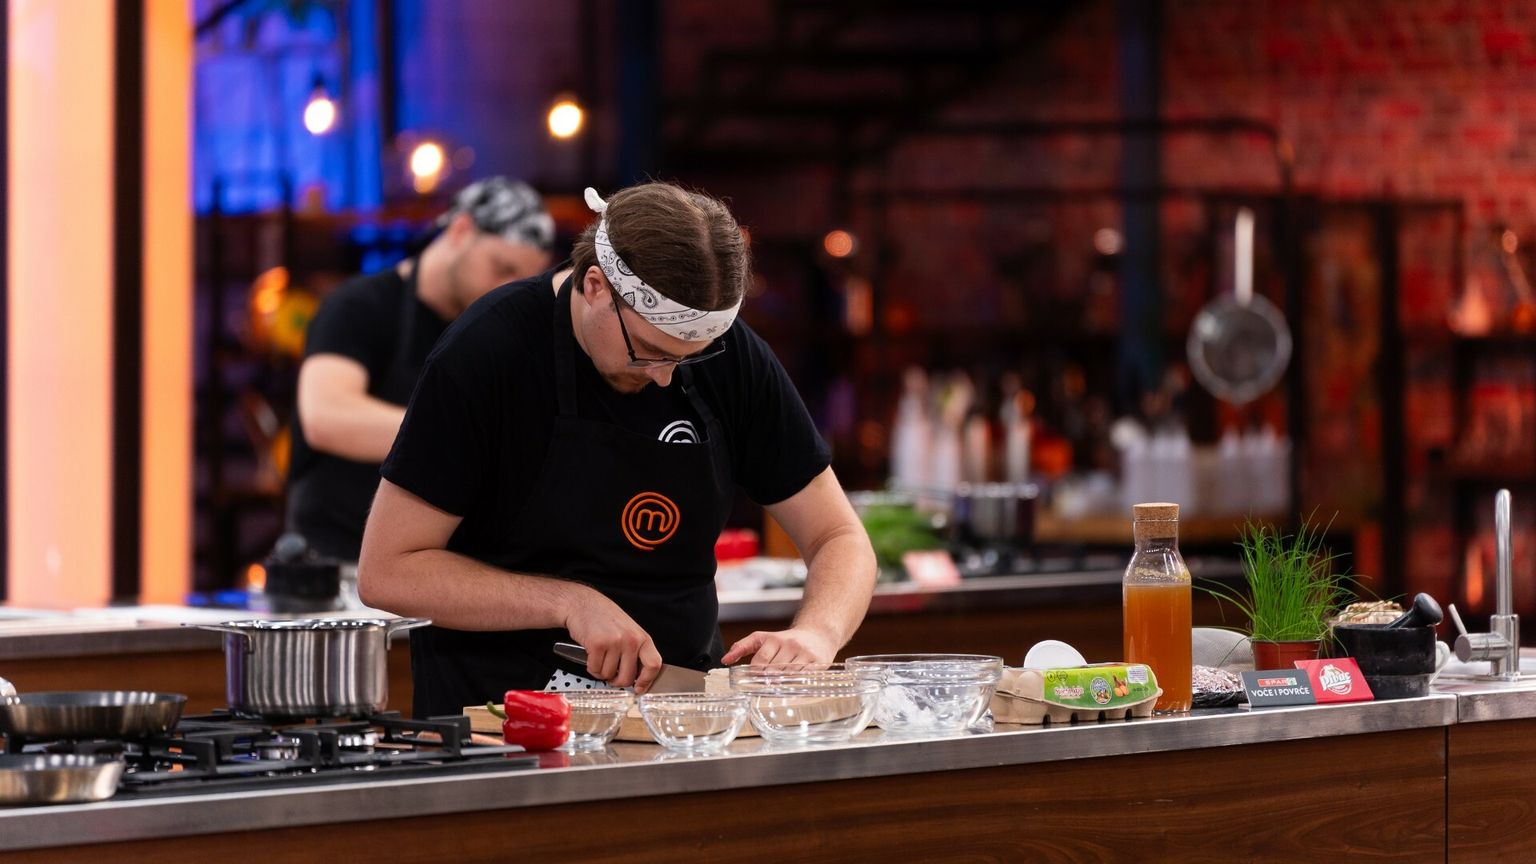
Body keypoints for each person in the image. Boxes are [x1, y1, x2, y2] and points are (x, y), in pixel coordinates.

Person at [357, 181, 876, 717]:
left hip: (679, 712)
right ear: (596, 286)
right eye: (648, 351)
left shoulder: (731, 356)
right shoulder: (488, 352)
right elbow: (389, 571)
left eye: (688, 358)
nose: (665, 377)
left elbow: (837, 536)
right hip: (504, 717)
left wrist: (818, 633)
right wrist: (570, 602)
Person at [286, 177, 554, 561]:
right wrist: (467, 439)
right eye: (501, 267)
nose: (508, 288)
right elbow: (327, 418)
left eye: (523, 280)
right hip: (334, 556)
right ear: (460, 230)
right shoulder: (358, 306)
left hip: (430, 562)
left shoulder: (497, 335)